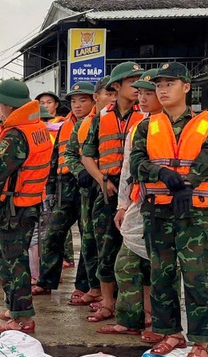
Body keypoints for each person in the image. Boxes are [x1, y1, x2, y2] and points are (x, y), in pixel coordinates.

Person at [130, 63, 208, 357]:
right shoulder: (147, 125)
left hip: (193, 210)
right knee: (162, 274)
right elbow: (136, 162)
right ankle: (170, 332)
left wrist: (187, 182)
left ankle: (201, 340)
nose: (163, 89)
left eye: (170, 83)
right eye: (159, 85)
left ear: (186, 86)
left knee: (196, 276)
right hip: (157, 209)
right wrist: (162, 172)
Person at [97, 70, 161, 341]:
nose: (142, 98)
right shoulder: (140, 127)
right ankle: (130, 319)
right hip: (138, 203)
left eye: (149, 92)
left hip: (168, 207)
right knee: (126, 264)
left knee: (161, 269)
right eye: (141, 92)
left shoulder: (179, 126)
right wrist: (123, 205)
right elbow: (127, 170)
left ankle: (160, 322)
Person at [81, 62, 147, 323]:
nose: (138, 88)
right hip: (108, 188)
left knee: (139, 250)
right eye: (132, 82)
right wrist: (102, 180)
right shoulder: (101, 118)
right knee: (105, 247)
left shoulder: (148, 115)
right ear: (117, 86)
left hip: (138, 191)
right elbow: (87, 155)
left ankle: (140, 306)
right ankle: (107, 302)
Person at [0, 79, 52, 335]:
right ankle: (15, 308)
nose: (0, 111)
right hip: (29, 202)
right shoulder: (36, 128)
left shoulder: (16, 135)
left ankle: (22, 318)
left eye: (1, 106)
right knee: (14, 259)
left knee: (12, 263)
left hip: (15, 208)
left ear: (9, 106)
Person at [35, 81, 95, 299]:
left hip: (88, 185)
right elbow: (54, 158)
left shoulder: (97, 122)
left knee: (88, 239)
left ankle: (83, 287)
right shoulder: (64, 126)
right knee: (52, 234)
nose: (77, 105)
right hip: (63, 186)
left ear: (93, 100)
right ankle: (46, 281)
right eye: (73, 101)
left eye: (82, 100)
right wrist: (50, 188)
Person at [64, 76, 116, 307]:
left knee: (112, 243)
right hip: (89, 191)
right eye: (108, 94)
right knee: (89, 241)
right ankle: (94, 288)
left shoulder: (129, 121)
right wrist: (80, 172)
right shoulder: (84, 124)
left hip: (114, 191)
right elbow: (71, 154)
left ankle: (112, 294)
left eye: (116, 94)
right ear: (97, 97)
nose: (113, 99)